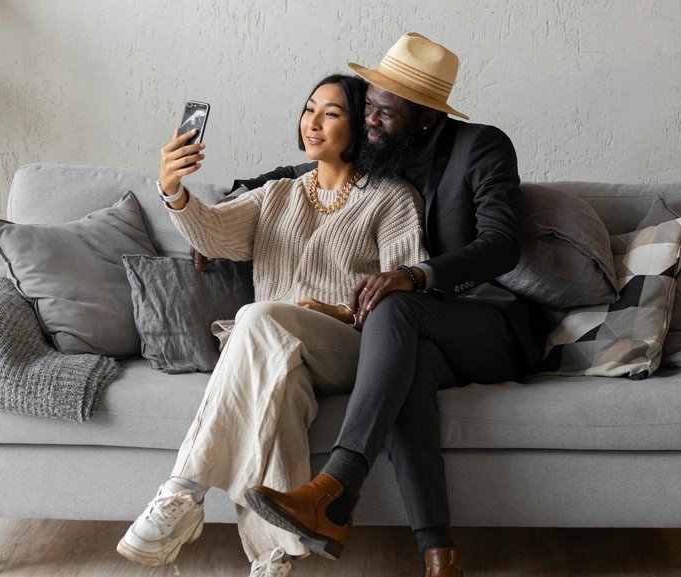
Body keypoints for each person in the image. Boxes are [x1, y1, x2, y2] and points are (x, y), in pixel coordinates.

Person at [241, 33, 548, 577]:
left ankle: (336, 486)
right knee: (405, 371)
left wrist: (415, 275)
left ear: (427, 117)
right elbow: (299, 175)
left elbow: (502, 244)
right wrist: (229, 199)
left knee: (392, 306)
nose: (370, 121)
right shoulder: (382, 150)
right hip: (418, 334)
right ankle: (439, 556)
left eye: (384, 112)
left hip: (487, 322)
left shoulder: (482, 147)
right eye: (369, 107)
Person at [116, 73, 428, 577]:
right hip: (272, 349)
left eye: (331, 113)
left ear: (359, 125)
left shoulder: (392, 199)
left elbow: (407, 296)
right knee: (281, 392)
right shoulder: (276, 195)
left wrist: (338, 312)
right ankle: (275, 560)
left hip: (351, 348)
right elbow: (212, 232)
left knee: (255, 317)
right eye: (309, 110)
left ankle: (183, 491)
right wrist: (172, 189)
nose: (313, 122)